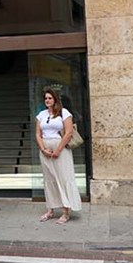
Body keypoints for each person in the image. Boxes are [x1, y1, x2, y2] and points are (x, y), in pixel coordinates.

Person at [35, 89, 82, 224]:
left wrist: (58, 150)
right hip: (45, 148)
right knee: (49, 179)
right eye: (45, 98)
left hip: (60, 148)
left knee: (63, 178)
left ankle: (65, 212)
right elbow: (38, 134)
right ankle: (50, 210)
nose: (47, 100)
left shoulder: (64, 113)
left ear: (55, 99)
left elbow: (68, 132)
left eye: (50, 98)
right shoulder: (41, 115)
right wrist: (43, 149)